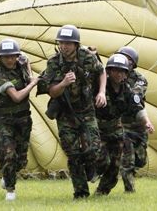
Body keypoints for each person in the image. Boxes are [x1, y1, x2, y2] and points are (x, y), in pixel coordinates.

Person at [39, 25, 107, 200]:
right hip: (65, 113)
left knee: (93, 148)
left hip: (86, 110)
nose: (64, 46)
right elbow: (52, 92)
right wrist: (63, 83)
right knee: (72, 153)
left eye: (68, 43)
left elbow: (101, 71)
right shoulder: (53, 62)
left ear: (76, 44)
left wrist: (101, 92)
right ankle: (81, 192)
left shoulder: (87, 57)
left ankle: (90, 165)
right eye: (62, 43)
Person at [94, 54, 154, 196]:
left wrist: (147, 122)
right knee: (102, 160)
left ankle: (102, 191)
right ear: (109, 71)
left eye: (122, 71)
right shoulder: (99, 86)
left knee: (116, 164)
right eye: (115, 70)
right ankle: (91, 172)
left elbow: (137, 107)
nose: (118, 74)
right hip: (98, 129)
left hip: (116, 129)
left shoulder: (127, 90)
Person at [0, 39, 39, 201]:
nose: (9, 59)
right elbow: (17, 97)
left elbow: (27, 61)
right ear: (0, 58)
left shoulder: (22, 60)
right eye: (5, 57)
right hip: (5, 120)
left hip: (23, 120)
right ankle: (10, 191)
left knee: (20, 161)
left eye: (12, 56)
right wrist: (32, 84)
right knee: (8, 153)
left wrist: (30, 75)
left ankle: (8, 175)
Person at [115, 47, 150, 192]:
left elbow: (135, 96)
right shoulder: (113, 76)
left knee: (140, 160)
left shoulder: (140, 79)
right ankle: (129, 189)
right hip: (123, 124)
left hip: (138, 123)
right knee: (127, 159)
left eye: (128, 58)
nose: (124, 60)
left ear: (133, 62)